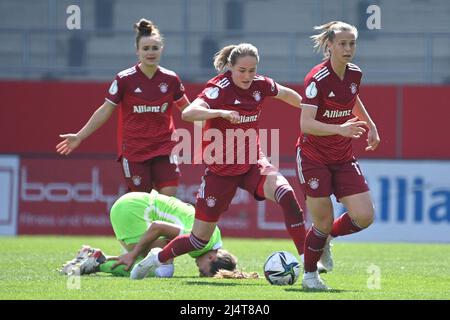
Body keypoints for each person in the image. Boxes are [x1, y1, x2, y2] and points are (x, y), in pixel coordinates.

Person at [128, 43, 307, 280]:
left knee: (287, 195)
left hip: (252, 161)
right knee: (198, 239)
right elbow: (188, 113)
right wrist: (220, 113)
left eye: (252, 70)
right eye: (242, 70)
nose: (247, 76)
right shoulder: (218, 89)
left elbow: (287, 94)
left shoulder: (261, 84)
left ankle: (308, 261)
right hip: (221, 171)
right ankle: (156, 258)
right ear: (230, 67)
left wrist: (310, 107)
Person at [56, 19, 190, 196]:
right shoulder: (124, 79)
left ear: (161, 50)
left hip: (164, 148)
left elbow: (189, 110)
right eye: (146, 48)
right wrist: (80, 136)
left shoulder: (171, 79)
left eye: (155, 48)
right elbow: (105, 110)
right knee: (143, 204)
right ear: (137, 51)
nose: (151, 52)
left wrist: (216, 120)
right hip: (135, 152)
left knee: (169, 198)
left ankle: (164, 224)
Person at [296, 21, 380, 290]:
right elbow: (305, 123)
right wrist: (339, 128)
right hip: (313, 158)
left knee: (365, 216)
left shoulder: (355, 74)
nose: (347, 48)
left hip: (342, 157)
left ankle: (326, 240)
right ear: (329, 45)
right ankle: (310, 276)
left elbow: (352, 98)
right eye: (342, 43)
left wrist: (371, 125)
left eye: (352, 43)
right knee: (322, 220)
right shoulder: (316, 78)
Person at [59, 191, 256, 279]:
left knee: (160, 256)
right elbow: (157, 226)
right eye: (203, 271)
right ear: (212, 257)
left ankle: (95, 257)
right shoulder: (202, 241)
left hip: (132, 204)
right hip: (134, 210)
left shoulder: (211, 238)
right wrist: (134, 253)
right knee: (161, 271)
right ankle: (98, 262)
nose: (199, 270)